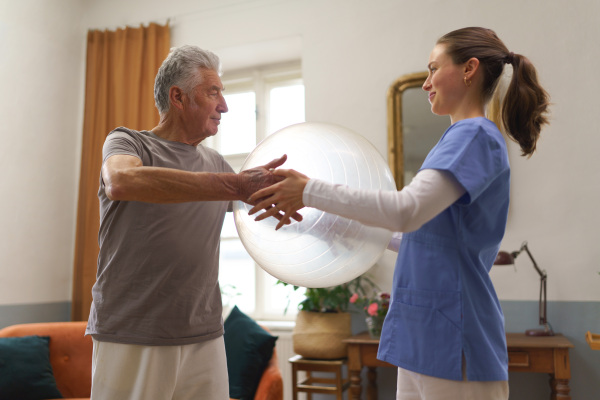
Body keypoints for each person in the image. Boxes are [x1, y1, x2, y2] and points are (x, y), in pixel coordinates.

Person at [248, 27, 549, 399]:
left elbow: (407, 211)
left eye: (433, 69)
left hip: (457, 341)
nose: (427, 83)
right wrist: (330, 224)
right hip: (425, 339)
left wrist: (309, 190)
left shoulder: (475, 136)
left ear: (469, 69)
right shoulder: (457, 139)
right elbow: (423, 238)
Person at [86, 45, 295, 400]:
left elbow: (265, 208)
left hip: (205, 334)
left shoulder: (215, 162)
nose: (224, 106)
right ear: (178, 97)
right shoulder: (128, 143)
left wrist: (307, 199)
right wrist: (238, 185)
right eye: (212, 92)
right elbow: (122, 182)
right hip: (133, 331)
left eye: (222, 94)